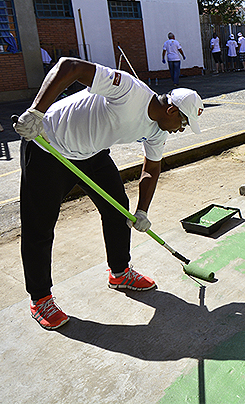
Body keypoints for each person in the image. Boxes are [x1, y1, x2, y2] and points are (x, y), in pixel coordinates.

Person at [12, 57, 204, 330]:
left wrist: (142, 211)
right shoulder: (128, 90)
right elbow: (70, 67)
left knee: (118, 210)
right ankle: (40, 298)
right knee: (39, 227)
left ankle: (119, 272)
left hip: (92, 154)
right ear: (171, 110)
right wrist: (36, 112)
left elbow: (151, 169)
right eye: (184, 123)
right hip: (48, 145)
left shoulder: (159, 131)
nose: (182, 129)